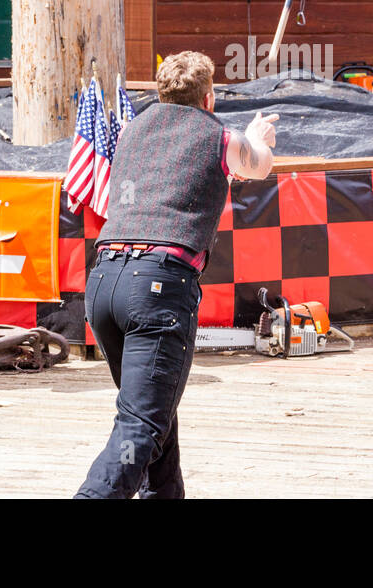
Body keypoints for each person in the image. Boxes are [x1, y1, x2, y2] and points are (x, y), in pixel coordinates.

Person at [75, 51, 278, 499]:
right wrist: (256, 136)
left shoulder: (132, 130)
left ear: (161, 93)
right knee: (142, 424)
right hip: (158, 286)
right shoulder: (219, 136)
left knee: (152, 413)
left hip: (104, 281)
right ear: (209, 98)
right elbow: (259, 165)